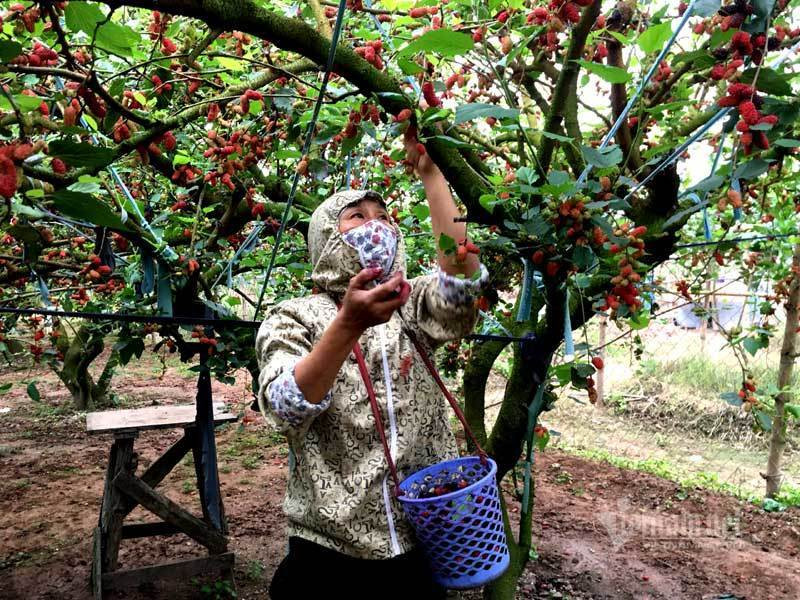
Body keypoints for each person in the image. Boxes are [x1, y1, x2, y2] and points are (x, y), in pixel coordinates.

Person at [256, 128, 488, 599]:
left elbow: (461, 283)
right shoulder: (294, 315)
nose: (375, 224)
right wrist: (347, 324)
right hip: (329, 549)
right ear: (325, 237)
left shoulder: (409, 303)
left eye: (383, 217)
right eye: (356, 217)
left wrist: (432, 175)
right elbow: (284, 406)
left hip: (420, 534)